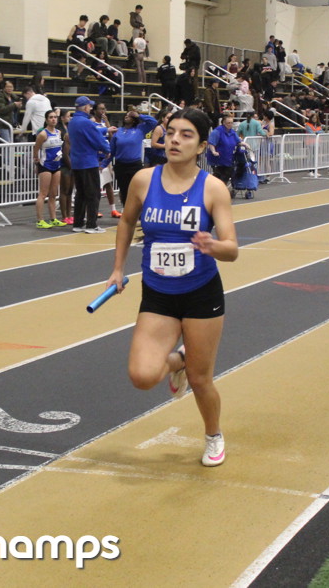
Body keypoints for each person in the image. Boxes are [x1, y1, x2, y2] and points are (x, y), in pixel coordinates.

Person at [105, 107, 238, 466]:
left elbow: (232, 249)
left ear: (202, 146)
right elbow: (126, 221)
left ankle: (213, 436)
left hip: (201, 294)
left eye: (186, 135)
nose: (175, 140)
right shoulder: (143, 180)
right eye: (171, 132)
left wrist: (212, 245)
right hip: (158, 294)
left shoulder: (212, 188)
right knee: (142, 376)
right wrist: (117, 269)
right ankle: (179, 358)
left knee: (200, 379)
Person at [68, 96, 111, 234]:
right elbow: (96, 139)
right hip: (88, 162)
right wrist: (107, 150)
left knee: (81, 194)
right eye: (90, 106)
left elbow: (88, 132)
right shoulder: (86, 122)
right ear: (86, 107)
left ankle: (78, 223)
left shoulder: (73, 121)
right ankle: (91, 225)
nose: (91, 108)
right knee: (93, 193)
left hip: (77, 162)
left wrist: (106, 130)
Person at [111, 109, 157, 207]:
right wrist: (104, 163)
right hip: (120, 165)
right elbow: (112, 150)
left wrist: (139, 115)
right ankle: (126, 210)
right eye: (126, 115)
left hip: (134, 165)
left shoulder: (140, 129)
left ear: (134, 119)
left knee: (137, 190)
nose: (127, 116)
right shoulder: (118, 131)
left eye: (130, 115)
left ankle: (138, 211)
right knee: (124, 191)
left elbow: (154, 122)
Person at [32, 109, 65, 229]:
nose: (53, 119)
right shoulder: (43, 134)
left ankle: (53, 218)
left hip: (57, 165)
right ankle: (40, 220)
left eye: (55, 117)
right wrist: (36, 162)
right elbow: (36, 149)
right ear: (46, 120)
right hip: (45, 165)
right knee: (43, 193)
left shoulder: (59, 132)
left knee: (53, 194)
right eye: (51, 117)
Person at [207, 113, 240, 187]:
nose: (230, 124)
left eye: (231, 123)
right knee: (219, 175)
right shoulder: (217, 131)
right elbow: (211, 143)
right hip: (218, 158)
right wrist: (213, 151)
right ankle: (217, 188)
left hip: (228, 158)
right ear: (224, 123)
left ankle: (219, 188)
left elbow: (238, 141)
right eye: (228, 123)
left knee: (226, 173)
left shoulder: (232, 132)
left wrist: (244, 144)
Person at [58, 109, 74, 224]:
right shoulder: (61, 131)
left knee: (70, 191)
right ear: (62, 118)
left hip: (72, 162)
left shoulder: (69, 129)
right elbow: (65, 152)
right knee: (65, 190)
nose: (70, 118)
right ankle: (64, 215)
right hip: (65, 164)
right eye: (68, 116)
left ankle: (69, 214)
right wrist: (70, 165)